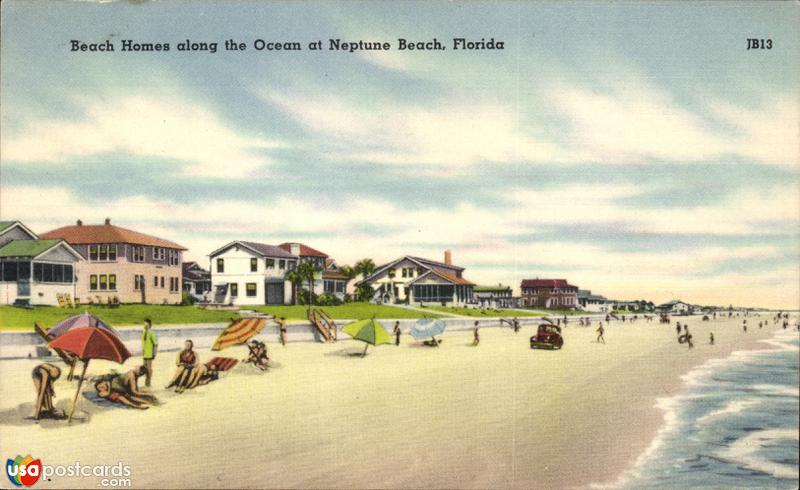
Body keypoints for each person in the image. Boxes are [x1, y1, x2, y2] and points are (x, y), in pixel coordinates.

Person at [141, 318, 158, 387]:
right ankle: (146, 382)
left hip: (150, 353)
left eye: (147, 324)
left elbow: (155, 344)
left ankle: (149, 382)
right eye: (144, 324)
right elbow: (143, 343)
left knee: (148, 368)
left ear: (150, 325)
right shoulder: (144, 332)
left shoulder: (151, 332)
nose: (145, 325)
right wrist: (142, 351)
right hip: (145, 353)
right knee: (144, 368)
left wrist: (154, 353)